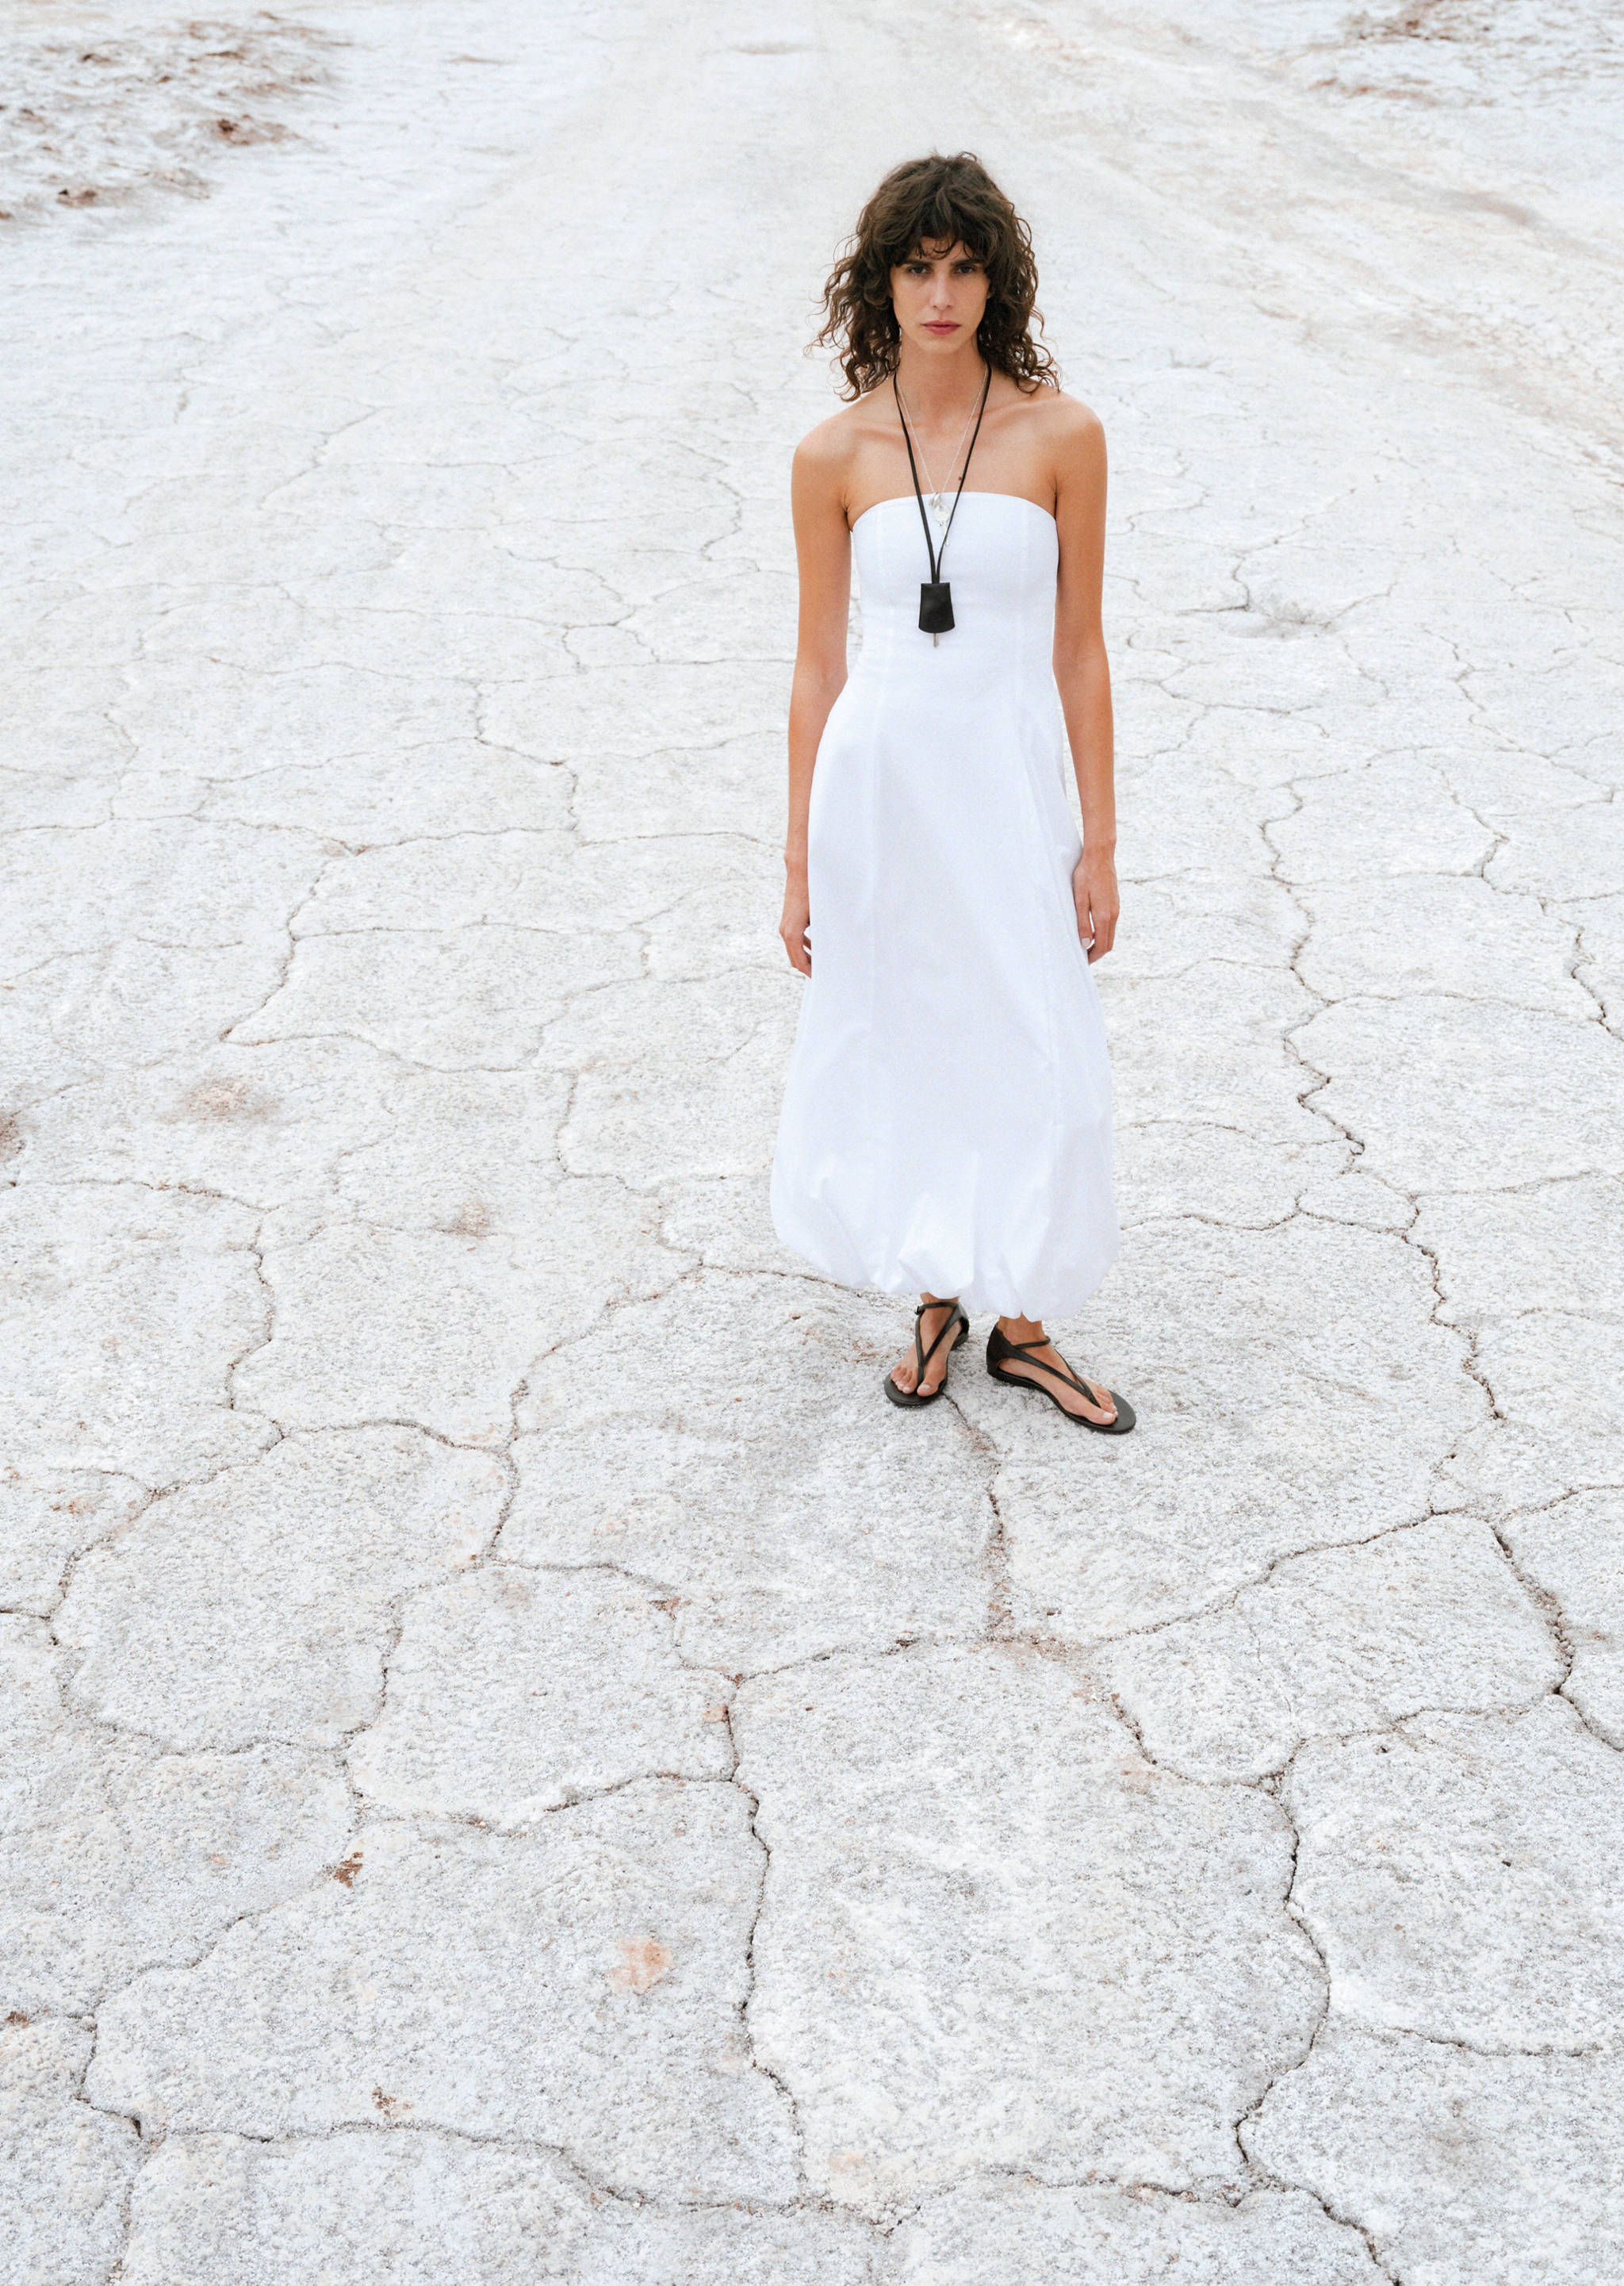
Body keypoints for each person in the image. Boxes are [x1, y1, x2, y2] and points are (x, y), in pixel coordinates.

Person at [770, 151, 1134, 1432]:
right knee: (909, 1029)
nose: (941, 292)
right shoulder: (833, 453)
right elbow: (819, 668)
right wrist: (800, 859)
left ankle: (1023, 1321)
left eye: (964, 265)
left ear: (999, 279)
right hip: (882, 788)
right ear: (880, 283)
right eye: (917, 267)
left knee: (1038, 1038)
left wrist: (1098, 839)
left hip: (1009, 776)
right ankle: (935, 1290)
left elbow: (1081, 650)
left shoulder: (1063, 434)